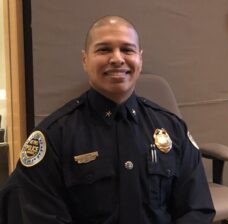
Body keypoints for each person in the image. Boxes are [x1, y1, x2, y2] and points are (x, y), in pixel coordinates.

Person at [0, 16, 215, 223]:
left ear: (140, 59)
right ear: (85, 60)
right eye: (104, 49)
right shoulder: (54, 137)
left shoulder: (172, 129)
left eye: (127, 49)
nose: (117, 58)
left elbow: (196, 209)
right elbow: (41, 216)